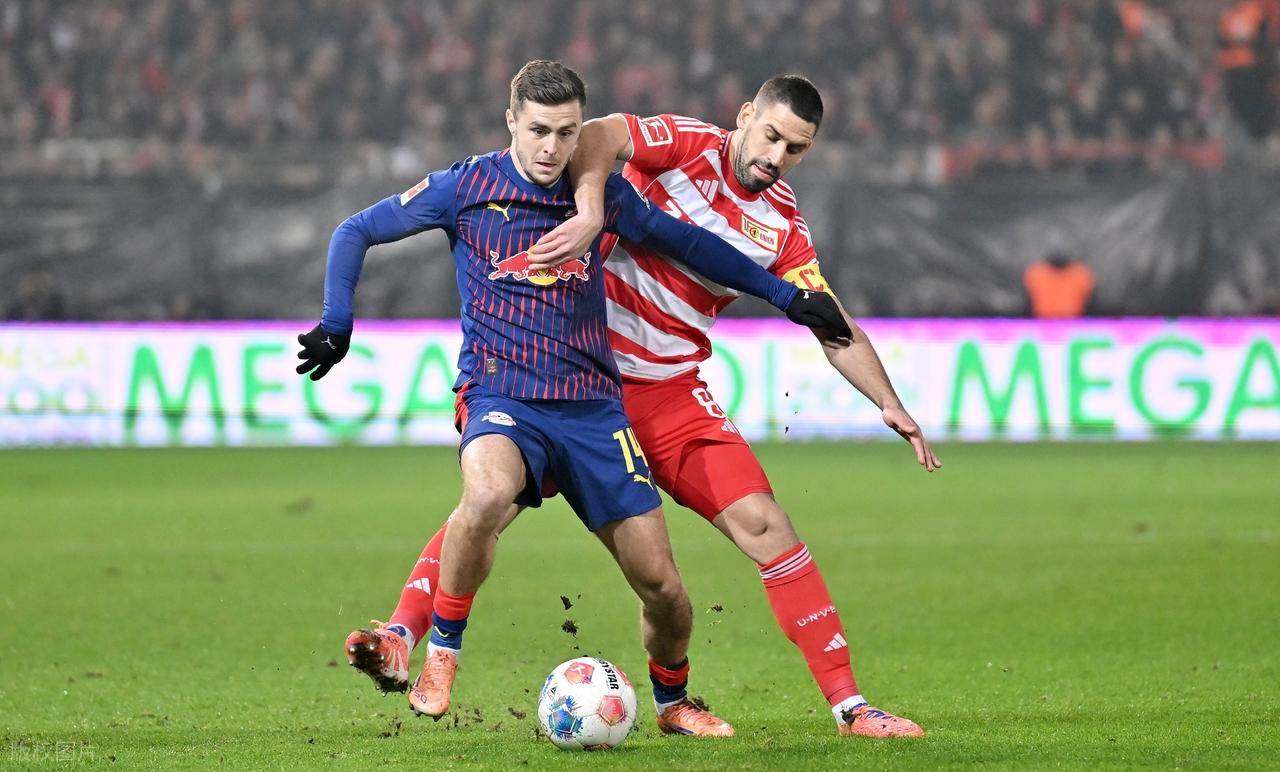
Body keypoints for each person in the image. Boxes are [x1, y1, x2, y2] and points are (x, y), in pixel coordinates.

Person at [352, 75, 938, 739]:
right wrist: (592, 209)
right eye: (771, 135)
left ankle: (846, 708)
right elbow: (595, 136)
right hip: (570, 373)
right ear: (747, 115)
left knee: (762, 528)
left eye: (795, 148)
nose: (776, 156)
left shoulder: (784, 229)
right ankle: (402, 634)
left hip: (668, 391)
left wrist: (888, 401)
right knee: (488, 502)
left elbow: (828, 320)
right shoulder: (687, 143)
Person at [1023, 252, 1096, 319]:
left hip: (1075, 321)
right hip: (1041, 321)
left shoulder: (1081, 274)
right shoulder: (1036, 274)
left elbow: (1091, 302)